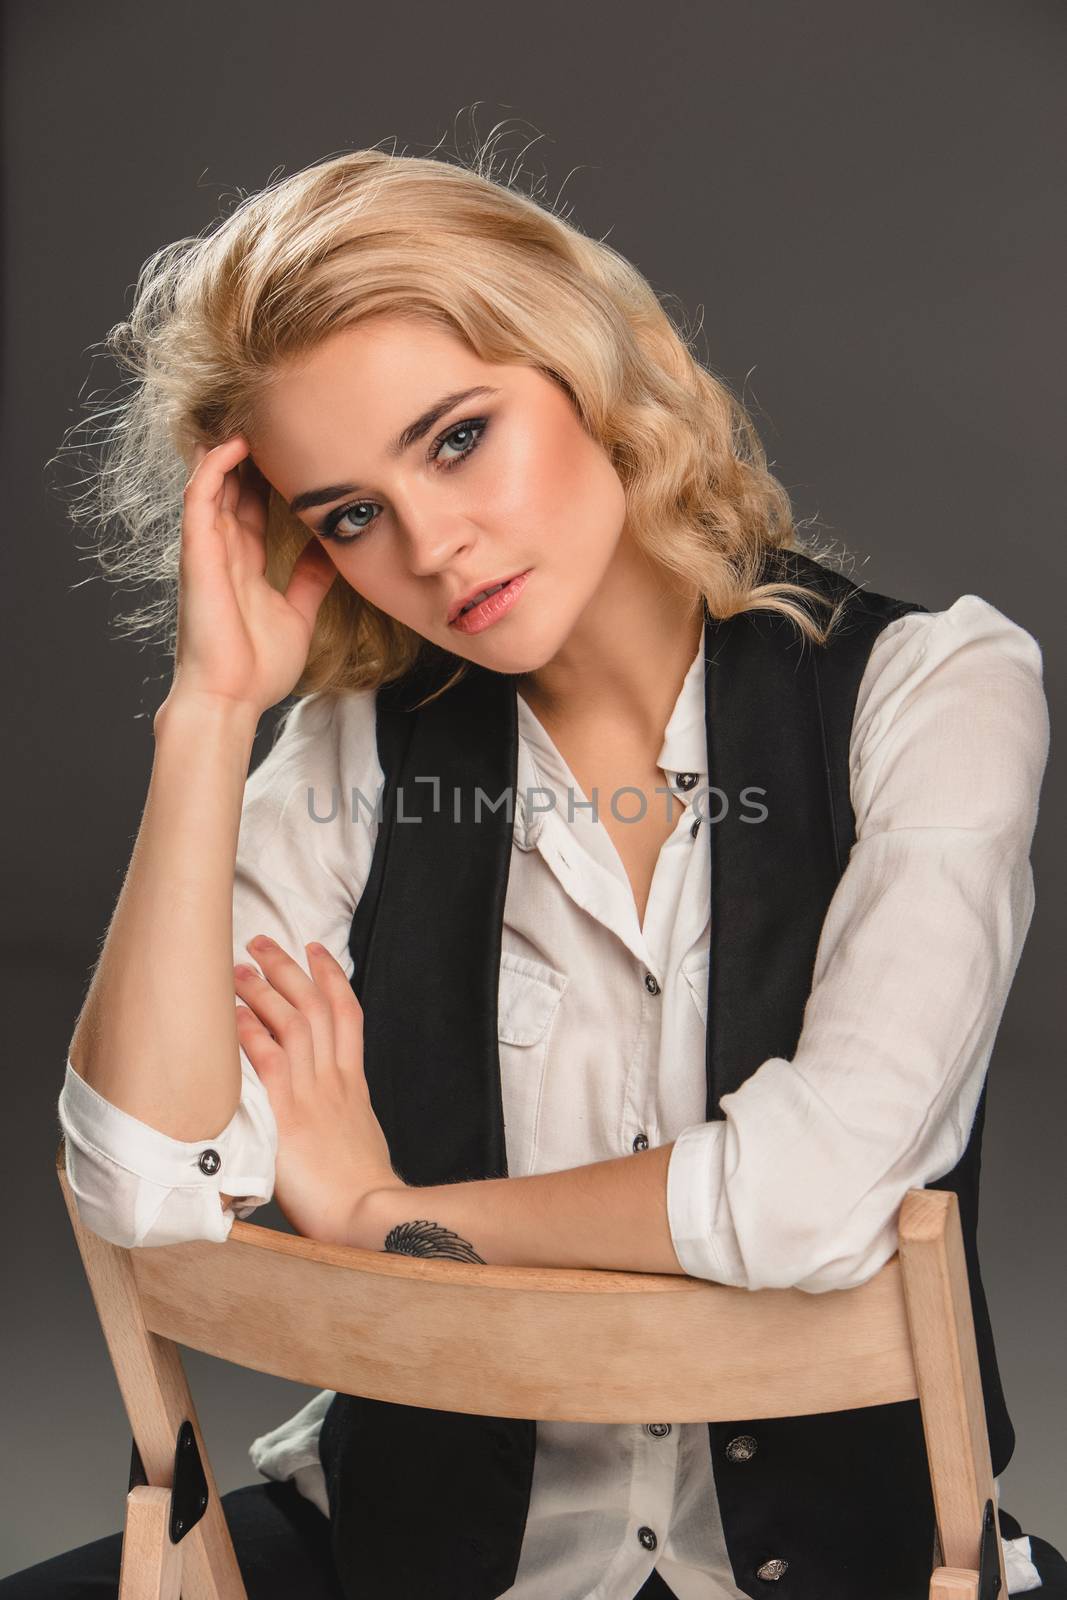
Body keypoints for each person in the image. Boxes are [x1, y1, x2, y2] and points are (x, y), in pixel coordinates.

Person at [4, 145, 1063, 1599]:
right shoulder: (346, 756)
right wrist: (209, 713)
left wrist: (386, 1224)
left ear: (589, 365)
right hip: (412, 1555)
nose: (433, 546)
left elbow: (815, 1198)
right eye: (349, 515)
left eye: (455, 437)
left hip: (865, 1566)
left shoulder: (936, 690)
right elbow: (140, 1187)